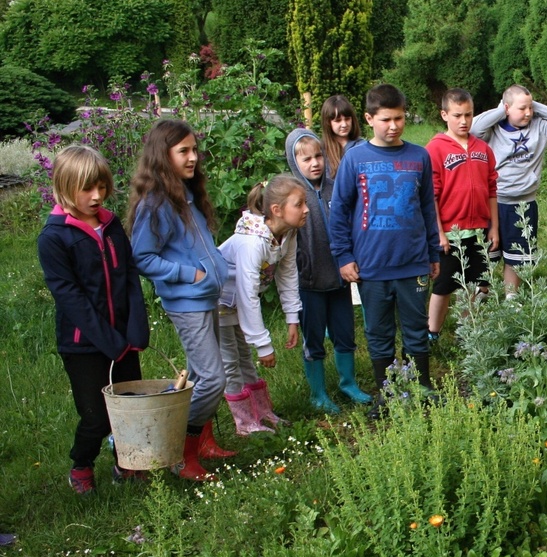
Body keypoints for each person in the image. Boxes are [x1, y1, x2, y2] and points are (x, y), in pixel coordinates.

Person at [37, 145, 150, 494]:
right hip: (83, 343)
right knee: (97, 416)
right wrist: (109, 341)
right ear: (64, 187)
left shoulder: (112, 225)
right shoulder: (54, 237)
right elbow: (71, 299)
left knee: (130, 407)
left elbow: (130, 275)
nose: (97, 195)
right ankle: (81, 462)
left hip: (123, 337)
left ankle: (126, 461)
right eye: (87, 189)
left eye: (101, 186)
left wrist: (135, 326)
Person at [129, 119, 234, 482]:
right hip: (185, 300)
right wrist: (191, 274)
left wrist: (214, 270)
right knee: (212, 378)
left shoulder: (185, 194)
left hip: (206, 296)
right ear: (163, 156)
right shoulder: (155, 202)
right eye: (183, 151)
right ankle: (181, 451)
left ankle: (203, 442)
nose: (193, 158)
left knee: (201, 376)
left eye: (194, 150)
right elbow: (142, 257)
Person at [328, 84, 440, 413]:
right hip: (371, 266)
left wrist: (433, 253)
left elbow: (427, 208)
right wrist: (344, 256)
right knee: (378, 332)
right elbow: (340, 211)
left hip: (413, 264)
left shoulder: (419, 156)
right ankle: (387, 394)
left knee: (417, 330)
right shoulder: (355, 158)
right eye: (386, 119)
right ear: (370, 118)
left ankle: (422, 390)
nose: (393, 126)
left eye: (400, 118)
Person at [285, 128, 371, 413]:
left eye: (318, 155)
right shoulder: (293, 195)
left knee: (345, 334)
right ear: (293, 161)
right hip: (309, 283)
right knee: (314, 338)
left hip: (340, 279)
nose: (314, 163)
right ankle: (318, 393)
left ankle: (348, 383)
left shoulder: (336, 187)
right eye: (306, 158)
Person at [216, 176, 305, 435]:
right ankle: (244, 423)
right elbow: (246, 295)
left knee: (244, 357)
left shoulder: (287, 234)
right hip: (218, 303)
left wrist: (292, 318)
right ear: (276, 210)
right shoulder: (251, 242)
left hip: (239, 304)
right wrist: (264, 344)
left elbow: (288, 276)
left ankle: (262, 413)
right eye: (299, 204)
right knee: (230, 361)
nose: (306, 209)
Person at [470, 85, 547, 294]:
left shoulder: (540, 127)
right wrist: (501, 110)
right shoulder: (493, 130)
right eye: (522, 109)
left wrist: (529, 102)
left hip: (524, 202)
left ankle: (511, 298)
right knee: (488, 251)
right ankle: (482, 292)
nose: (528, 113)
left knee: (517, 254)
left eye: (530, 108)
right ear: (506, 108)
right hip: (494, 201)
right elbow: (473, 128)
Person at [426, 88, 498, 342]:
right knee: (445, 284)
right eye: (457, 115)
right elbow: (431, 195)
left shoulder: (483, 149)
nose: (464, 121)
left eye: (468, 114)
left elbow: (491, 190)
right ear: (445, 115)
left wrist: (494, 227)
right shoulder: (435, 149)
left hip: (479, 230)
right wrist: (439, 232)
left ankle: (467, 329)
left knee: (479, 283)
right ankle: (432, 332)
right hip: (450, 232)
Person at [319, 94, 362, 180]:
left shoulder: (362, 146)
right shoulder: (322, 150)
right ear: (328, 123)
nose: (344, 124)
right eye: (338, 121)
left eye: (347, 119)